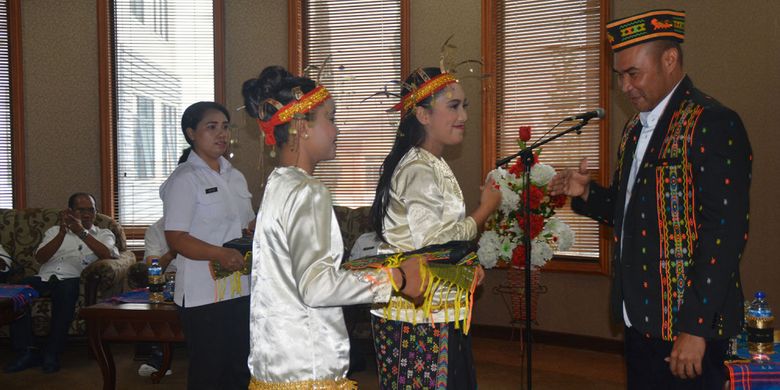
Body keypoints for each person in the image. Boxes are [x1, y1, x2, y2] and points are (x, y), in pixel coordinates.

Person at [549, 9, 752, 389]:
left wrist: (695, 327)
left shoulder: (711, 122)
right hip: (639, 320)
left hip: (689, 330)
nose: (625, 87)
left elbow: (724, 235)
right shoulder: (634, 129)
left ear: (670, 60)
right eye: (619, 76)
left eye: (633, 74)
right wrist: (587, 193)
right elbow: (636, 216)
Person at [242, 65, 425, 389]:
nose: (338, 130)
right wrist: (394, 278)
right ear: (302, 126)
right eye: (331, 117)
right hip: (307, 365)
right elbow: (317, 286)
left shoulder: (278, 184)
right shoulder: (308, 191)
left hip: (276, 358)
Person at [370, 67, 502, 389]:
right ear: (422, 115)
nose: (464, 116)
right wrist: (484, 210)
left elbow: (436, 241)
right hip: (417, 315)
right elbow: (435, 246)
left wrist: (467, 267)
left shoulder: (432, 162)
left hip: (432, 309)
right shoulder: (418, 168)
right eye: (453, 106)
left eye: (464, 105)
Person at [160, 101, 255, 389]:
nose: (221, 134)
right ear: (191, 133)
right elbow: (176, 238)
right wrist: (219, 253)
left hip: (240, 287)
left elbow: (244, 225)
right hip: (203, 295)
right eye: (211, 127)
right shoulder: (184, 179)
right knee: (209, 372)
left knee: (240, 368)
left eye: (225, 127)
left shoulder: (234, 175)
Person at [4, 192, 119, 374]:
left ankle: (52, 352)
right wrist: (62, 233)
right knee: (19, 293)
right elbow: (41, 258)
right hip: (44, 277)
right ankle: (26, 352)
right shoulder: (53, 231)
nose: (87, 214)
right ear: (70, 211)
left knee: (65, 295)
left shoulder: (104, 233)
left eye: (91, 210)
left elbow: (106, 254)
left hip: (71, 278)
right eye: (82, 210)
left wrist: (81, 232)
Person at [136, 216, 176, 377]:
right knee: (156, 296)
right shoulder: (155, 229)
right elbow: (154, 269)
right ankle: (159, 358)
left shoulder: (204, 220)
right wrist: (172, 252)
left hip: (203, 278)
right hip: (169, 281)